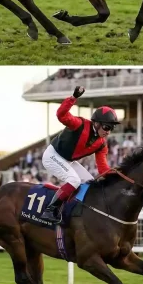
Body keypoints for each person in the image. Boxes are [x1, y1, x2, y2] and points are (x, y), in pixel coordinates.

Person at [40, 86, 120, 221]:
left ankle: (74, 211)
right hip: (52, 155)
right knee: (74, 180)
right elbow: (61, 115)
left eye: (111, 128)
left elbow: (103, 169)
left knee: (89, 183)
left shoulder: (102, 144)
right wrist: (73, 98)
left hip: (67, 161)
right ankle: (49, 210)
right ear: (96, 123)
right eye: (107, 127)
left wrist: (119, 175)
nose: (108, 132)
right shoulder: (80, 124)